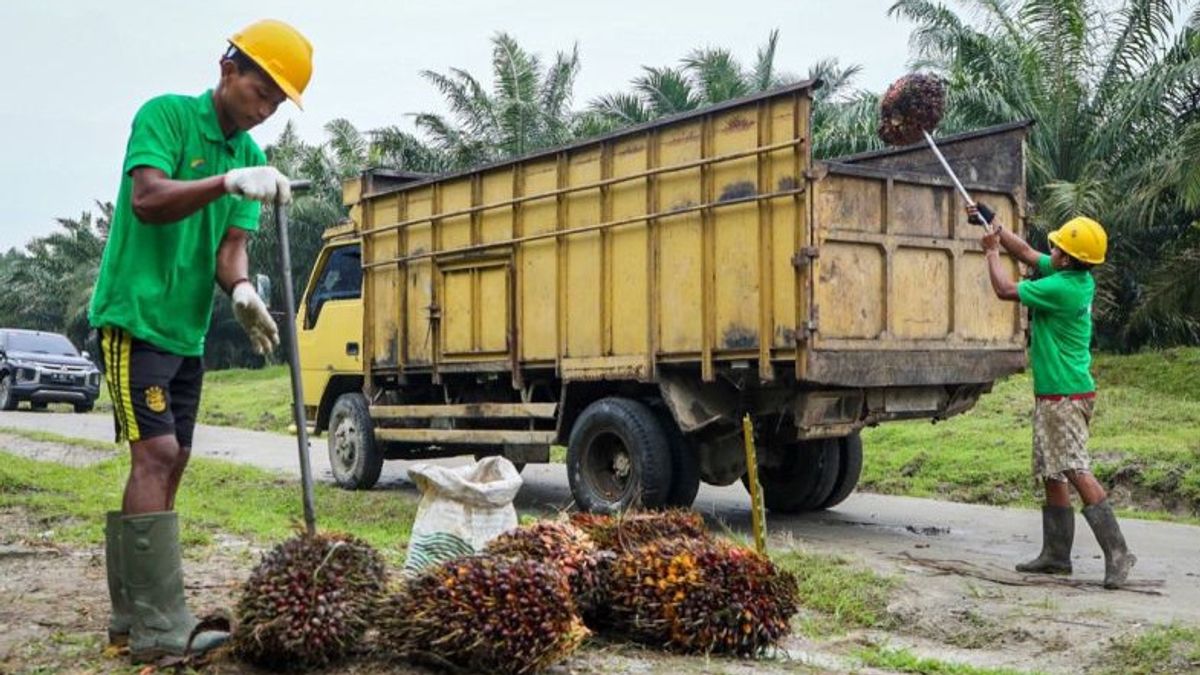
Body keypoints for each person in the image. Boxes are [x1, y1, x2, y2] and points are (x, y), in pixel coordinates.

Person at [87, 19, 313, 662]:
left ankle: (134, 612)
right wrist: (222, 183)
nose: (265, 110)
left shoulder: (252, 159)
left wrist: (243, 294)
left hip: (186, 331)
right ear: (227, 70)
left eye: (277, 102)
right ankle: (159, 622)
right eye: (261, 92)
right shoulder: (164, 117)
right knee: (154, 454)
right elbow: (147, 199)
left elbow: (230, 250)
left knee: (176, 457)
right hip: (134, 317)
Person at [971, 204, 1136, 589]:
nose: (1053, 250)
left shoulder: (1060, 288)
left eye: (1058, 247)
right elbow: (1027, 254)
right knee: (1052, 469)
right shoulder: (1075, 277)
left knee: (1075, 468)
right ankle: (1056, 555)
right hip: (1056, 394)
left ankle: (1118, 552)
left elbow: (1004, 288)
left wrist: (991, 250)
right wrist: (992, 222)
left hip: (1064, 396)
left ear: (1068, 259)